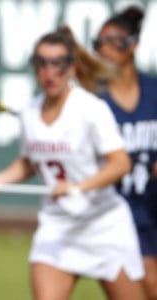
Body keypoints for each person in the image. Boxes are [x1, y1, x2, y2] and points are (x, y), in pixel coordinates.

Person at [0, 27, 145, 300]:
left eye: (57, 64)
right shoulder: (29, 112)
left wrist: (78, 186)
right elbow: (30, 163)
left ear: (72, 67)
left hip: (104, 225)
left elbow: (120, 163)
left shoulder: (91, 109)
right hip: (58, 227)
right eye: (41, 63)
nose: (49, 72)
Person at [94, 6, 157, 299]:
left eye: (113, 41)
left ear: (132, 44)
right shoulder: (93, 100)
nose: (104, 49)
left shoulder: (153, 91)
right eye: (99, 43)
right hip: (117, 213)